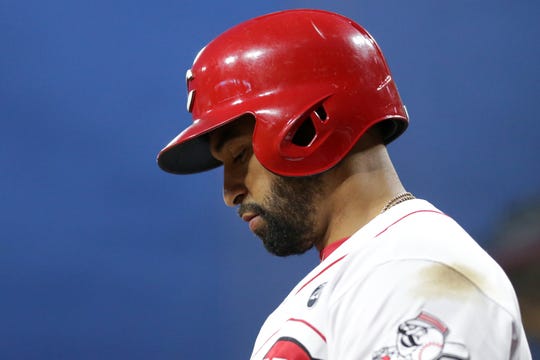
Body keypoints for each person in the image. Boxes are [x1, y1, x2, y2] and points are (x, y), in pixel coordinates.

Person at [156, 9, 532, 359]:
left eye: (238, 156)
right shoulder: (355, 281)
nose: (230, 192)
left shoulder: (421, 271)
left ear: (308, 126)